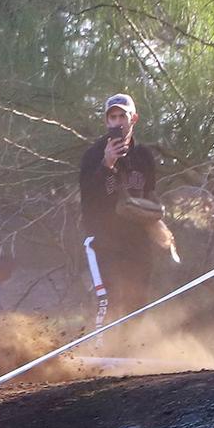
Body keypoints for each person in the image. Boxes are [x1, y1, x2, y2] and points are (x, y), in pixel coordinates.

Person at [78, 93, 161, 322]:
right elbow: (88, 199)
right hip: (104, 239)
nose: (117, 122)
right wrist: (107, 164)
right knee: (109, 300)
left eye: (122, 116)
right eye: (112, 117)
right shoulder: (93, 155)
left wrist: (157, 223)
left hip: (137, 239)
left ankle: (127, 349)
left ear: (133, 118)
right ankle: (103, 352)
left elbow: (150, 195)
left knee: (138, 301)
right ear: (107, 122)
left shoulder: (144, 156)